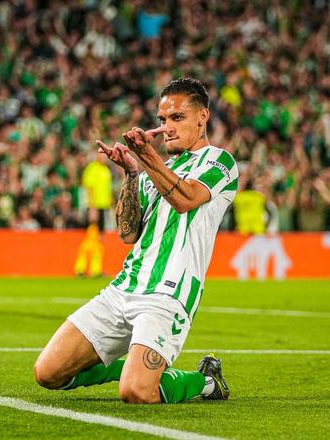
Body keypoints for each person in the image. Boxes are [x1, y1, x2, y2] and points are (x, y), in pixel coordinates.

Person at [34, 78, 239, 404]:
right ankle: (132, 368)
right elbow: (127, 233)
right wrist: (131, 175)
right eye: (162, 119)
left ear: (203, 117)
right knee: (48, 373)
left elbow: (186, 199)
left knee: (137, 391)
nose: (167, 127)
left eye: (177, 118)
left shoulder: (218, 161)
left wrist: (146, 155)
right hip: (123, 290)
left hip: (167, 296)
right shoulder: (154, 172)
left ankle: (205, 381)